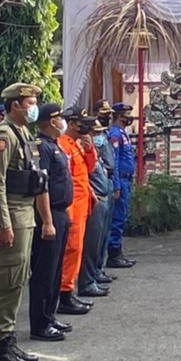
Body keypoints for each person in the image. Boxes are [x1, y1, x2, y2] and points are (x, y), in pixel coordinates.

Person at [0, 83, 44, 361]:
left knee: (18, 280)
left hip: (25, 213)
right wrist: (4, 223)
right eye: (29, 103)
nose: (33, 108)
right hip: (12, 217)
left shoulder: (23, 133)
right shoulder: (3, 136)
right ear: (14, 105)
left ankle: (8, 339)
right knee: (8, 283)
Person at [30, 103, 73, 340]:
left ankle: (50, 315)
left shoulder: (54, 145)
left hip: (61, 212)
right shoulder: (41, 147)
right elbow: (41, 186)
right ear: (50, 121)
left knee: (56, 269)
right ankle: (40, 323)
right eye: (59, 119)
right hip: (49, 213)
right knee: (44, 271)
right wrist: (47, 220)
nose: (62, 123)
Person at [59, 108, 102, 308]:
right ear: (73, 123)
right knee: (71, 249)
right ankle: (65, 293)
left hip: (83, 204)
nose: (87, 126)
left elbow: (88, 169)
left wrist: (90, 149)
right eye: (83, 122)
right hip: (72, 205)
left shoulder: (76, 145)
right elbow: (65, 178)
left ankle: (70, 288)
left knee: (78, 249)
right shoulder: (63, 145)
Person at [80, 113, 117, 293]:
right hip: (93, 198)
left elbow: (107, 166)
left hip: (103, 192)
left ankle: (95, 273)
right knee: (90, 244)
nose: (98, 136)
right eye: (95, 133)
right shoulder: (80, 148)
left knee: (100, 240)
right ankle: (87, 281)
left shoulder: (93, 149)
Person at [106, 102, 137, 269]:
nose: (129, 117)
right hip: (121, 181)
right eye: (127, 114)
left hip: (127, 180)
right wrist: (116, 186)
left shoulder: (123, 133)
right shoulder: (115, 135)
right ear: (119, 116)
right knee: (117, 218)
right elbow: (114, 162)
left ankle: (118, 252)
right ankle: (113, 254)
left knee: (122, 217)